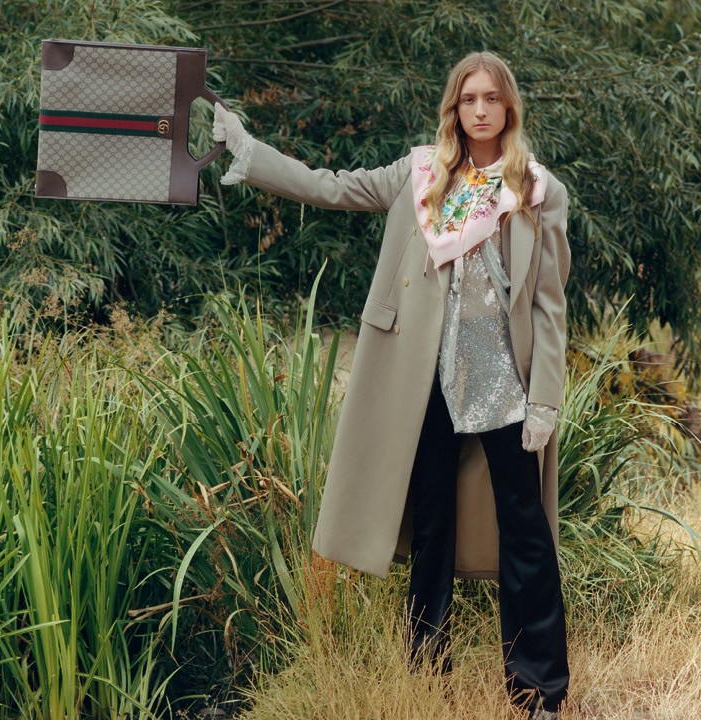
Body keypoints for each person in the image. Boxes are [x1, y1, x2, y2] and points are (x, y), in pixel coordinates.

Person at [213, 50, 570, 720]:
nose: (481, 110)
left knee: (525, 529)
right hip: (423, 377)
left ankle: (539, 692)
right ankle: (426, 675)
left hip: (503, 382)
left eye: (492, 98)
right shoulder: (420, 175)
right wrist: (249, 150)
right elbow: (333, 187)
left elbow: (550, 306)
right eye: (469, 99)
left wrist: (545, 398)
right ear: (454, 109)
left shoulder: (536, 190)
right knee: (432, 524)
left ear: (509, 107)